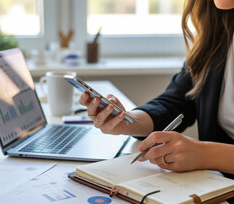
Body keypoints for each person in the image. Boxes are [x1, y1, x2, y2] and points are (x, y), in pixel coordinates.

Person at [79, 0, 234, 179]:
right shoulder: (221, 30)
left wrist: (205, 154)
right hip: (219, 186)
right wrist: (128, 121)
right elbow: (177, 101)